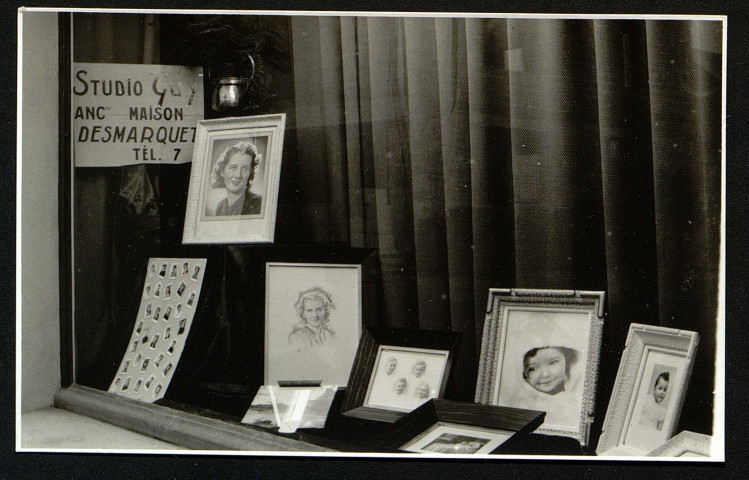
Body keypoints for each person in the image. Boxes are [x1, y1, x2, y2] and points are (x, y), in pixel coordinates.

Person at [206, 141, 263, 216]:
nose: (238, 175)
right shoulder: (220, 206)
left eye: (245, 169)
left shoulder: (258, 203)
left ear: (250, 174)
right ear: (222, 171)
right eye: (233, 167)